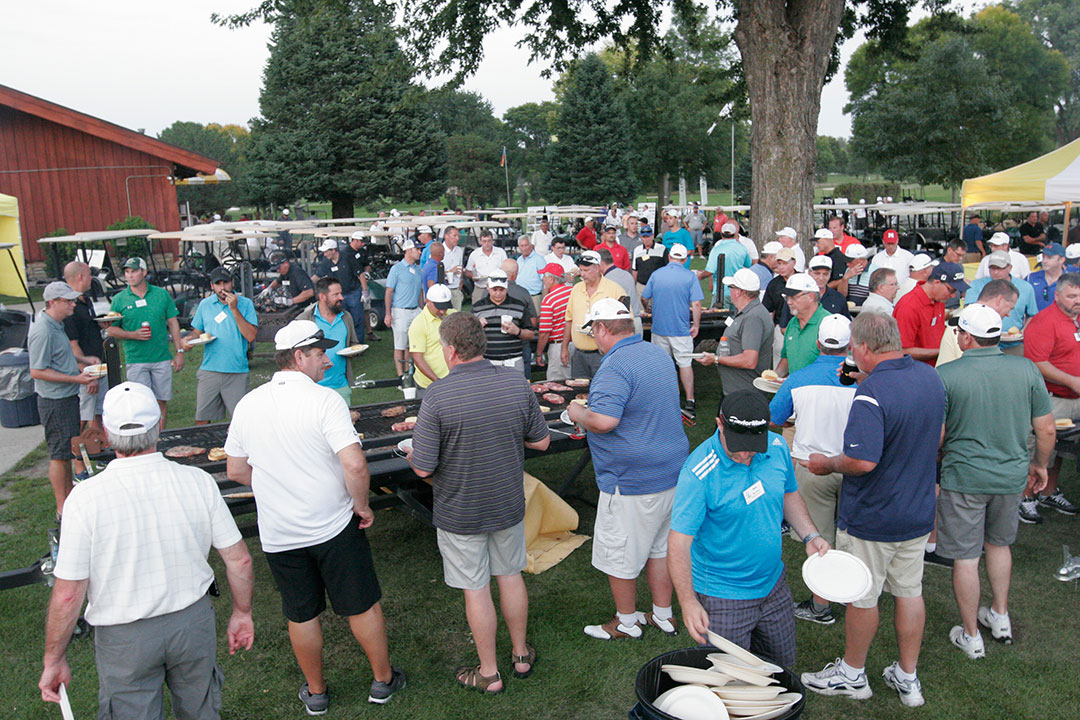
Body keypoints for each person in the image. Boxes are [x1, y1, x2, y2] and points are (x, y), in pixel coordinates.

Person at [39, 382, 255, 720]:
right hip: (192, 623)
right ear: (158, 427)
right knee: (201, 711)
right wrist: (241, 612)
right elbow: (239, 559)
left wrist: (54, 659)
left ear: (108, 433)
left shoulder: (84, 498)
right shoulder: (197, 481)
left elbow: (68, 595)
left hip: (124, 638)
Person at [225, 320, 405, 713]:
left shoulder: (248, 404)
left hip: (279, 532)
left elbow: (236, 470)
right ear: (298, 356)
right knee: (361, 605)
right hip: (334, 524)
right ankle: (382, 680)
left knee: (301, 612)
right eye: (320, 353)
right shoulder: (325, 401)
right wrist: (362, 505)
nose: (327, 360)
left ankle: (317, 692)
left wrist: (276, 486)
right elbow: (355, 465)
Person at [801, 312, 946, 709]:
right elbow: (939, 435)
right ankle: (908, 676)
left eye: (853, 348)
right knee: (909, 592)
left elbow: (862, 462)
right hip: (918, 510)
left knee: (862, 596)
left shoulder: (870, 394)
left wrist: (826, 463)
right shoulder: (929, 377)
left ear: (863, 348)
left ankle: (851, 674)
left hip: (874, 515)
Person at [407, 312, 549, 692]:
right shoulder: (516, 383)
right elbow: (541, 442)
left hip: (460, 510)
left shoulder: (437, 395)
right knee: (510, 575)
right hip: (506, 502)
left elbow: (422, 468)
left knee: (476, 587)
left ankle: (489, 673)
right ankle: (520, 655)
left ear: (451, 351)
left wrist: (411, 455)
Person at [668, 390, 830, 665]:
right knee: (728, 681)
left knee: (780, 670)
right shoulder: (698, 473)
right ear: (720, 423)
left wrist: (810, 535)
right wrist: (688, 601)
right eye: (738, 444)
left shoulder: (777, 448)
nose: (745, 453)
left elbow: (788, 493)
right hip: (722, 595)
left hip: (773, 586)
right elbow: (678, 543)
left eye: (753, 444)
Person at [936, 303, 1055, 658]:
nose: (956, 335)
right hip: (1010, 475)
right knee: (1000, 545)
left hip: (964, 477)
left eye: (958, 331)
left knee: (967, 557)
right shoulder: (1026, 369)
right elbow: (1046, 428)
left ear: (967, 336)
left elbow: (937, 436)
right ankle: (999, 615)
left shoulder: (947, 374)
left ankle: (971, 634)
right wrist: (1041, 465)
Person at [567, 299, 689, 640]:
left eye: (594, 331)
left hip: (632, 478)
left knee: (620, 554)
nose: (594, 338)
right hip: (672, 470)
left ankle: (626, 622)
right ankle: (663, 615)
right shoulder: (657, 354)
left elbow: (605, 420)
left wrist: (578, 413)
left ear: (604, 329)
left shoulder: (614, 366)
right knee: (661, 547)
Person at [769, 314, 856, 625]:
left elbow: (775, 418)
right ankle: (853, 591)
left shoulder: (798, 378)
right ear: (850, 345)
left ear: (818, 344)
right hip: (855, 466)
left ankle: (821, 605)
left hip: (810, 466)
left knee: (817, 538)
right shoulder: (863, 379)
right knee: (850, 533)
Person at [29, 281, 99, 518]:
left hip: (66, 398)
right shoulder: (43, 330)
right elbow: (37, 371)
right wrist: (78, 380)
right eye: (67, 301)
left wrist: (85, 361)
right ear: (52, 303)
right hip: (55, 402)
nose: (72, 304)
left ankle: (70, 499)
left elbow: (60, 358)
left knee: (67, 451)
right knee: (59, 455)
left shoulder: (57, 324)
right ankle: (62, 508)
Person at [1021, 273, 1080, 522]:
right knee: (1038, 448)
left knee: (1064, 450)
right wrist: (1071, 381)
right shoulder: (1044, 321)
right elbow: (1037, 363)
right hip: (1052, 398)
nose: (1077, 301)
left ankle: (1048, 491)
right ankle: (1024, 497)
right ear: (1057, 296)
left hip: (1075, 399)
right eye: (1072, 296)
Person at [106, 257, 184, 429]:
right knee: (141, 403)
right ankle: (145, 438)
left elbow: (173, 323)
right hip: (136, 359)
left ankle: (160, 436)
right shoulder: (119, 299)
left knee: (161, 401)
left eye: (133, 271)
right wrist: (133, 335)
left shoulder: (161, 294)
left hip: (162, 357)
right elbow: (111, 330)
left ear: (144, 272)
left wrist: (179, 352)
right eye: (127, 272)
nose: (130, 275)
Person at [187, 267, 258, 424]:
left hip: (236, 370)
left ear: (232, 283)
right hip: (209, 369)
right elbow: (197, 332)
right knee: (202, 419)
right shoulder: (205, 305)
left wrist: (234, 309)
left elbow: (251, 336)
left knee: (241, 421)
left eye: (225, 282)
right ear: (212, 286)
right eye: (218, 284)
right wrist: (189, 340)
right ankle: (208, 448)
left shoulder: (245, 304)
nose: (222, 288)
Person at [641, 244, 703, 412]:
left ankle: (668, 400)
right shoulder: (690, 277)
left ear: (669, 257)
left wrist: (648, 307)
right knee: (684, 363)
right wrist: (696, 324)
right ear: (684, 259)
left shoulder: (656, 275)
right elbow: (696, 303)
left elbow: (644, 297)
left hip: (659, 328)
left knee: (663, 366)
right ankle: (690, 400)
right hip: (681, 329)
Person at [696, 268, 773, 398]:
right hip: (737, 391)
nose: (729, 291)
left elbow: (749, 360)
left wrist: (715, 359)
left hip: (745, 394)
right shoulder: (745, 312)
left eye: (731, 287)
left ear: (738, 292)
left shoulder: (753, 318)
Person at [561, 250, 627, 379]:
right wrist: (564, 347)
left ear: (597, 268)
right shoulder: (576, 289)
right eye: (581, 270)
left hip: (604, 354)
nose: (582, 274)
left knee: (604, 390)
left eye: (586, 270)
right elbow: (569, 320)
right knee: (579, 393)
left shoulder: (615, 290)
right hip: (579, 353)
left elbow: (625, 325)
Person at [893, 261, 968, 366]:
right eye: (951, 290)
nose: (953, 296)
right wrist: (943, 351)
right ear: (937, 282)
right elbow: (902, 351)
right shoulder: (909, 306)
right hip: (917, 372)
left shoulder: (939, 300)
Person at [62, 262, 106, 439]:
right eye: (89, 275)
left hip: (98, 366)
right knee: (84, 414)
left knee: (99, 411)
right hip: (86, 371)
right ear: (80, 276)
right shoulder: (69, 306)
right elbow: (73, 344)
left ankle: (98, 445)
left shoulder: (85, 300)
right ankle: (77, 451)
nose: (91, 279)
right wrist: (88, 375)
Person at [298, 278, 361, 403]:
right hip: (314, 387)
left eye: (341, 293)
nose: (341, 297)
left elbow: (354, 343)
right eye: (336, 294)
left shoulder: (346, 317)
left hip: (341, 385)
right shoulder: (305, 320)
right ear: (322, 297)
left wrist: (354, 351)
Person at [964, 253, 1038, 355]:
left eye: (1000, 268)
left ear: (1010, 268)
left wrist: (1024, 331)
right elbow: (969, 311)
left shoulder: (1026, 287)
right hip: (982, 345)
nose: (995, 272)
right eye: (992, 268)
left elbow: (1032, 314)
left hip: (1013, 345)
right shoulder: (976, 285)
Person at [938, 279, 1018, 367]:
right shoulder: (966, 323)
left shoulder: (969, 319)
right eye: (1010, 308)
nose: (1008, 314)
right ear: (999, 300)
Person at [473, 270, 535, 369]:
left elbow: (531, 334)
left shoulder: (519, 306)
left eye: (501, 289)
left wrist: (518, 331)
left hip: (513, 360)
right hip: (487, 361)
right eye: (495, 289)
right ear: (488, 287)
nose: (498, 293)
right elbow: (469, 336)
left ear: (507, 288)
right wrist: (476, 328)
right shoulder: (477, 308)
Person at [776, 273, 830, 377]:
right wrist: (775, 376)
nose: (789, 302)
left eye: (793, 297)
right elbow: (787, 358)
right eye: (787, 297)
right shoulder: (792, 323)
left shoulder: (828, 323)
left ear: (811, 296)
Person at [384, 238, 424, 376]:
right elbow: (389, 291)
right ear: (408, 250)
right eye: (417, 249)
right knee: (400, 345)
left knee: (411, 344)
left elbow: (419, 291)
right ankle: (401, 375)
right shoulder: (396, 269)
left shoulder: (417, 270)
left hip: (415, 310)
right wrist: (388, 313)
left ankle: (409, 371)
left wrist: (422, 309)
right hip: (400, 311)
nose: (420, 252)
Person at [407, 284, 455, 392]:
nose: (443, 311)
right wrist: (438, 382)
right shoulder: (418, 324)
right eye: (439, 307)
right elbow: (418, 358)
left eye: (445, 307)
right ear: (428, 301)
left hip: (453, 381)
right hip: (428, 385)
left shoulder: (453, 315)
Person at [536, 263, 574, 380]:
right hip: (576, 343)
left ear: (551, 279)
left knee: (557, 384)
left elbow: (544, 332)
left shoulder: (549, 299)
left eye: (544, 276)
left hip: (559, 345)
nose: (543, 279)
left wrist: (539, 352)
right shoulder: (573, 291)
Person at [702, 223, 751, 307]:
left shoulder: (716, 249)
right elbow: (748, 264)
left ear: (721, 234)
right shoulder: (742, 248)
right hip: (738, 291)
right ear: (734, 234)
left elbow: (710, 271)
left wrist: (699, 276)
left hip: (721, 292)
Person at [599, 247, 642, 334]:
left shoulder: (607, 280)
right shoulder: (627, 274)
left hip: (624, 325)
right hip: (636, 320)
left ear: (601, 264)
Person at [465, 229, 509, 304]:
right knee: (477, 311)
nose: (487, 243)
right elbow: (467, 272)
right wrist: (473, 277)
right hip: (480, 287)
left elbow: (507, 269)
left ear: (492, 241)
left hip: (497, 288)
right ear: (480, 242)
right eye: (484, 241)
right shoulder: (474, 254)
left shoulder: (500, 252)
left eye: (489, 241)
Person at [1028, 242, 1067, 312]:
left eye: (1050, 258)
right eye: (1043, 257)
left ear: (1061, 260)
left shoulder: (1071, 281)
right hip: (1035, 321)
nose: (1044, 261)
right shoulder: (1030, 278)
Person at [631, 225, 667, 293]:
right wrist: (634, 286)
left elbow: (667, 269)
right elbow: (635, 270)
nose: (646, 239)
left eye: (648, 236)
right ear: (641, 238)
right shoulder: (637, 250)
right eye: (644, 237)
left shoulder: (662, 249)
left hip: (657, 286)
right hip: (641, 286)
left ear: (653, 236)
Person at [515, 235, 546, 313]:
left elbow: (545, 281)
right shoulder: (519, 260)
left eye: (526, 245)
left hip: (534, 297)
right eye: (522, 246)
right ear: (519, 247)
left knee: (535, 322)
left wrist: (544, 300)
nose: (524, 248)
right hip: (520, 297)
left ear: (531, 246)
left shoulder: (539, 259)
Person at [441, 225, 466, 310]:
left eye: (458, 236)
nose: (457, 238)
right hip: (444, 289)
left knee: (457, 316)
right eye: (454, 236)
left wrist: (461, 279)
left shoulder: (459, 250)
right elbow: (434, 272)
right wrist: (450, 271)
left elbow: (460, 265)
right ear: (446, 236)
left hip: (456, 288)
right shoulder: (440, 250)